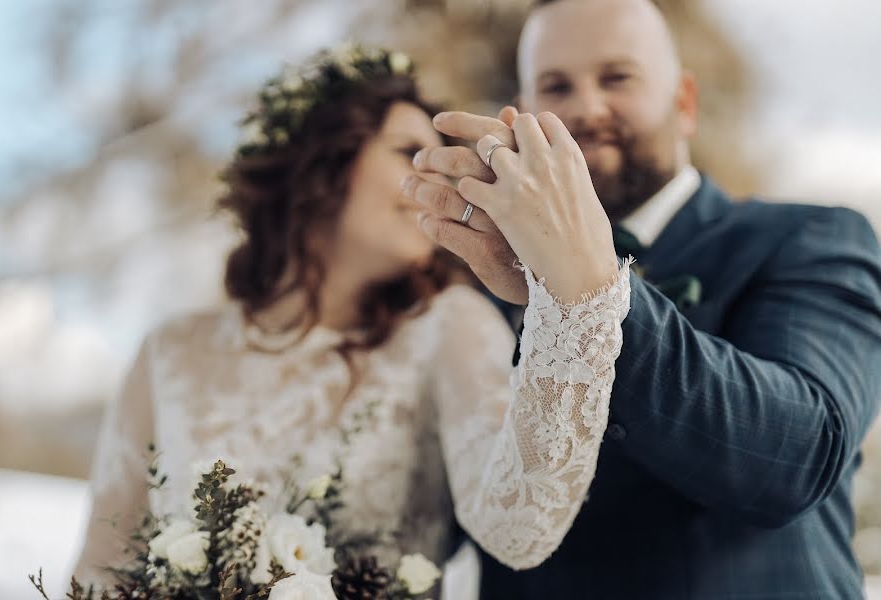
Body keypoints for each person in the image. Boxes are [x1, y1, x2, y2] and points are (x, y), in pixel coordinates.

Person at [72, 45, 632, 597]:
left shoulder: (450, 326)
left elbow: (520, 529)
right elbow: (100, 571)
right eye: (409, 150)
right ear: (324, 162)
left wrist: (573, 301)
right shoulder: (171, 351)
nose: (439, 180)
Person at [404, 0, 881, 597]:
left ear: (684, 103)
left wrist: (586, 293)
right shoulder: (483, 287)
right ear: (525, 115)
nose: (586, 108)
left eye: (617, 78)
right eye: (556, 86)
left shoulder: (810, 238)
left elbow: (797, 456)